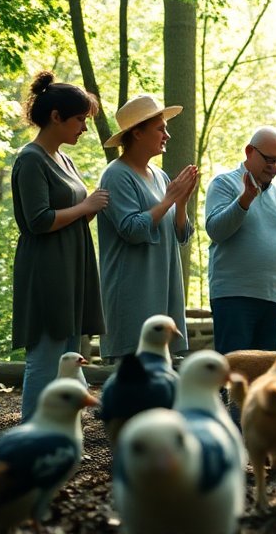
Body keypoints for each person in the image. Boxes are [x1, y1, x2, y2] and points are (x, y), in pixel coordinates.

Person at [10, 72, 107, 420]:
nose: (84, 128)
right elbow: (37, 220)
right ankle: (30, 434)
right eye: (80, 119)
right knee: (45, 357)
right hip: (46, 269)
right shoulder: (31, 160)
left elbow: (74, 216)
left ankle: (65, 427)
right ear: (56, 117)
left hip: (72, 266)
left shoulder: (65, 160)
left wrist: (88, 210)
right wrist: (85, 206)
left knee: (69, 354)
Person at [96, 95, 198, 363]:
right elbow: (132, 229)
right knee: (133, 377)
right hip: (133, 293)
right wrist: (168, 200)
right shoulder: (116, 175)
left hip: (162, 292)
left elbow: (182, 235)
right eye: (160, 128)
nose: (167, 135)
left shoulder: (160, 176)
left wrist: (181, 201)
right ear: (137, 133)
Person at [204, 127, 276, 354]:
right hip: (233, 296)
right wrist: (245, 199)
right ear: (249, 151)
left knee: (268, 375)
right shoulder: (224, 184)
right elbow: (216, 231)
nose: (274, 167)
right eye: (269, 159)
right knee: (234, 371)